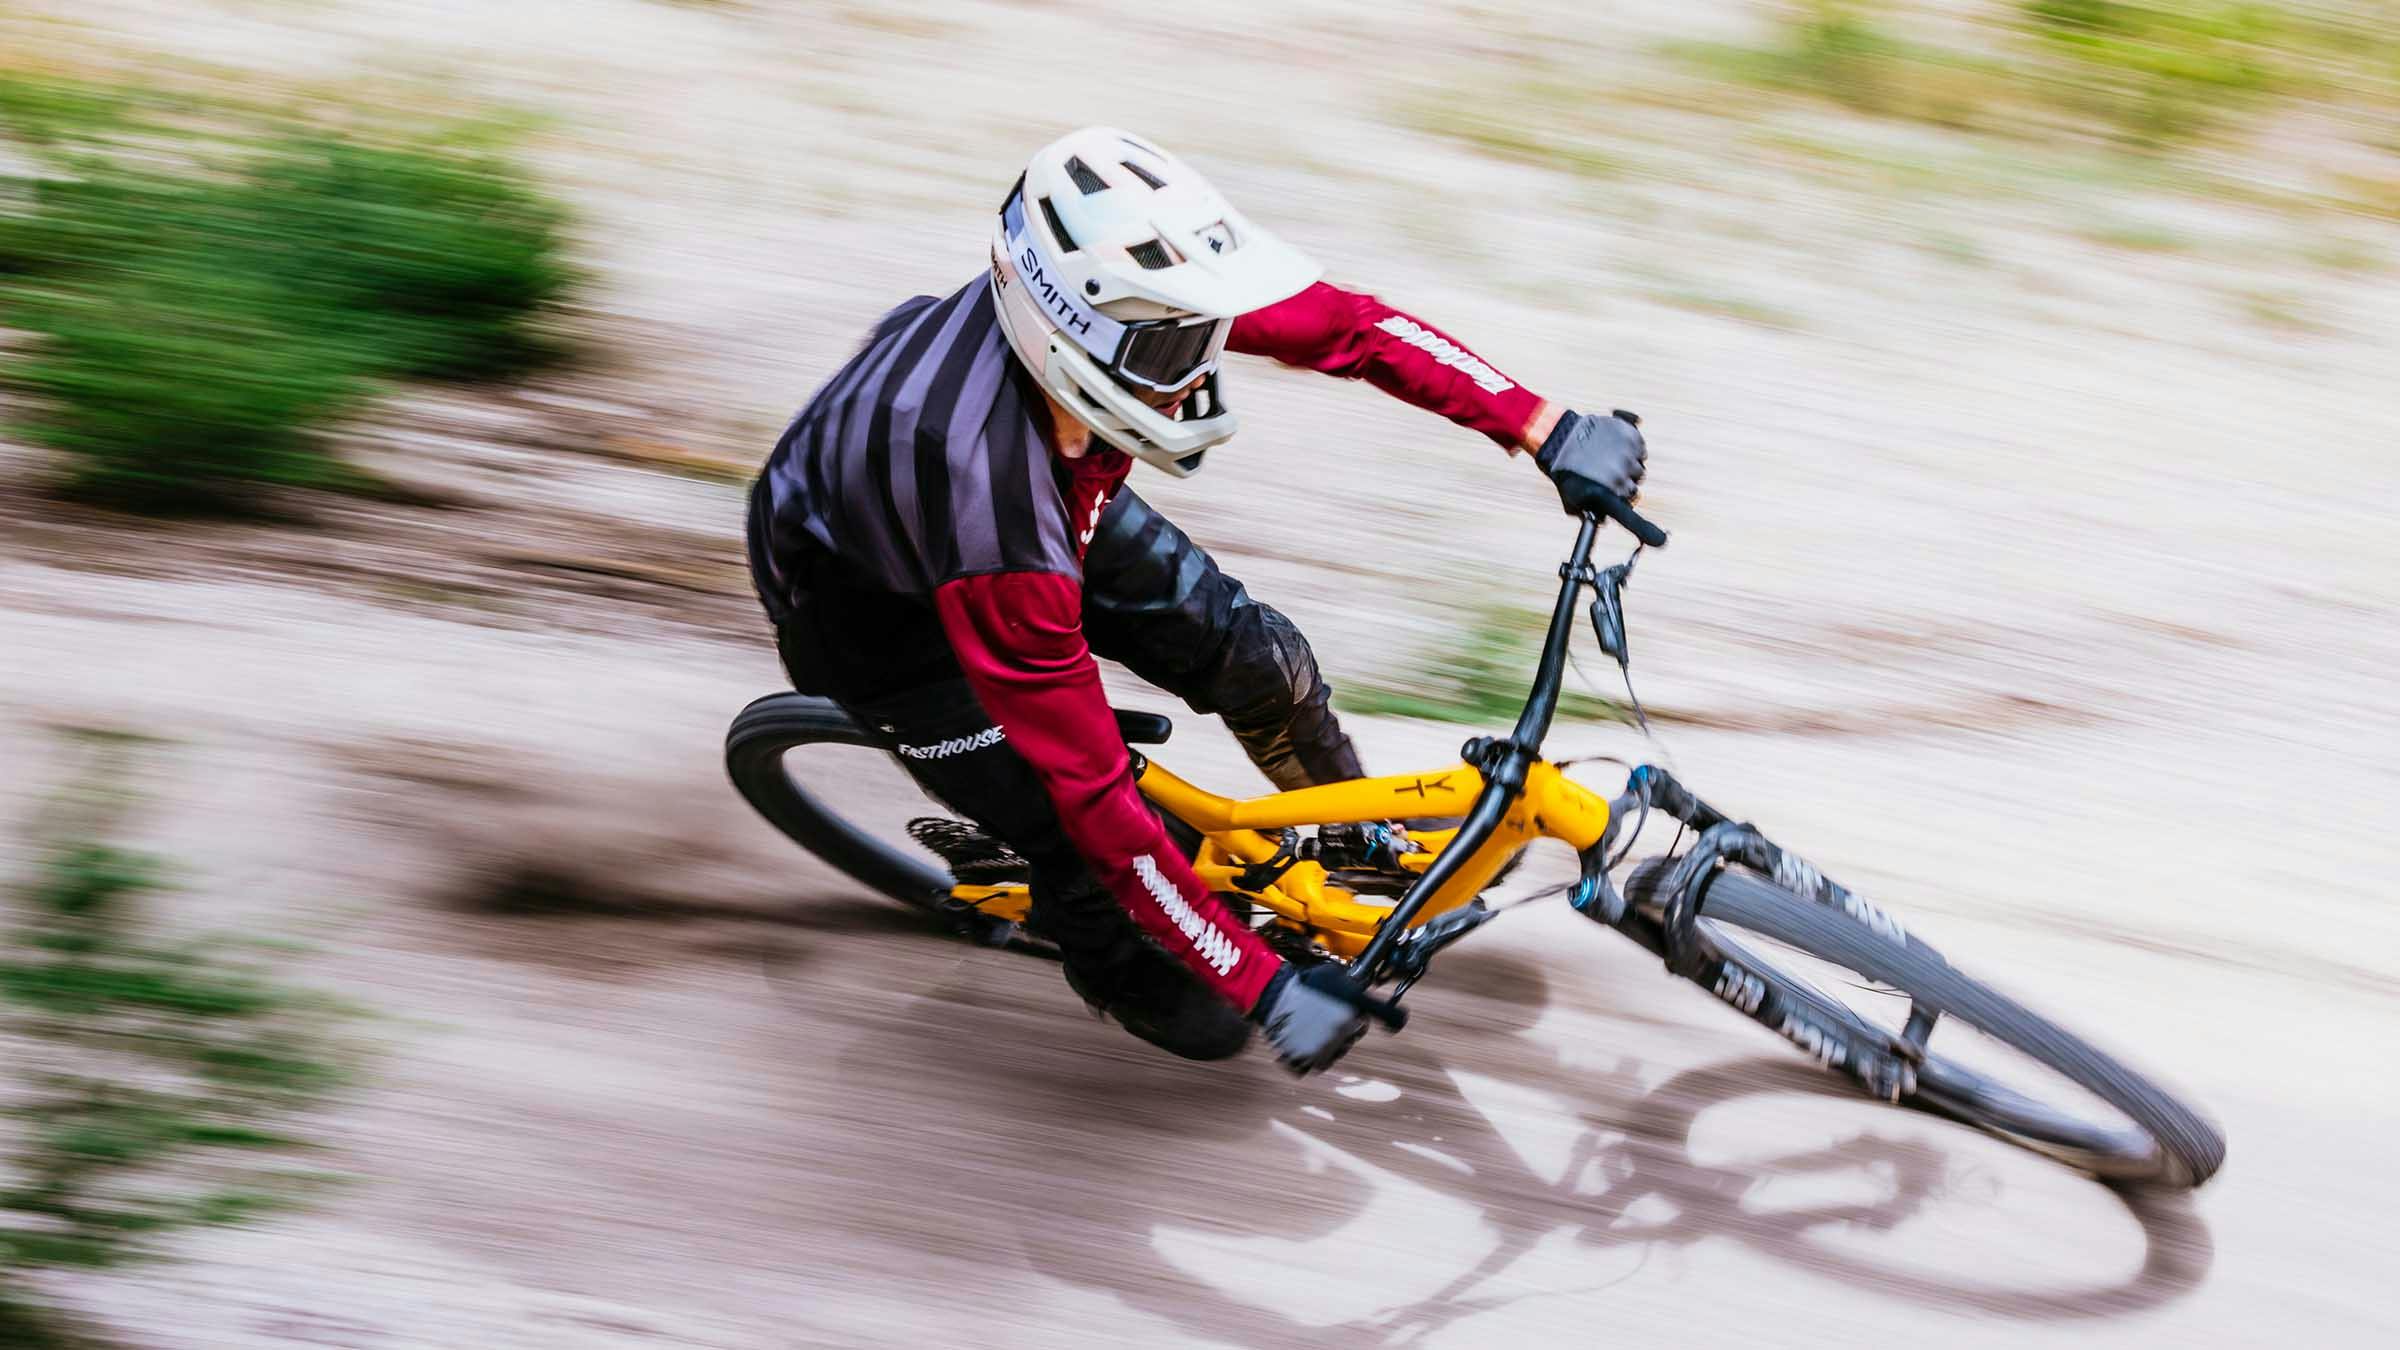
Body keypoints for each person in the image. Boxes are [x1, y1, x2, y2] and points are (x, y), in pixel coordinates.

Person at [746, 127, 1648, 1074]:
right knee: (1164, 949)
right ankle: (1080, 929)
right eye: (1178, 343)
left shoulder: (1143, 307)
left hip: (1026, 505)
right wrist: (1259, 981)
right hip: (884, 621)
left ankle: (1349, 828)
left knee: (1262, 661)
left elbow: (1350, 329)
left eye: (1202, 329)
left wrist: (1544, 426)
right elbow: (1094, 794)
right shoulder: (1000, 527)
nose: (1201, 366)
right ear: (1068, 337)